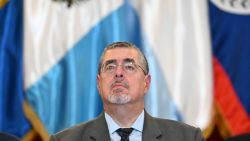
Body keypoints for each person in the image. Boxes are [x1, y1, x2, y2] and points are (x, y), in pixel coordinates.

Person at [49, 42, 204, 141]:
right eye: (110, 67)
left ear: (146, 83)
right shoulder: (65, 140)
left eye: (129, 66)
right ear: (98, 83)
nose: (118, 73)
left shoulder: (187, 137)